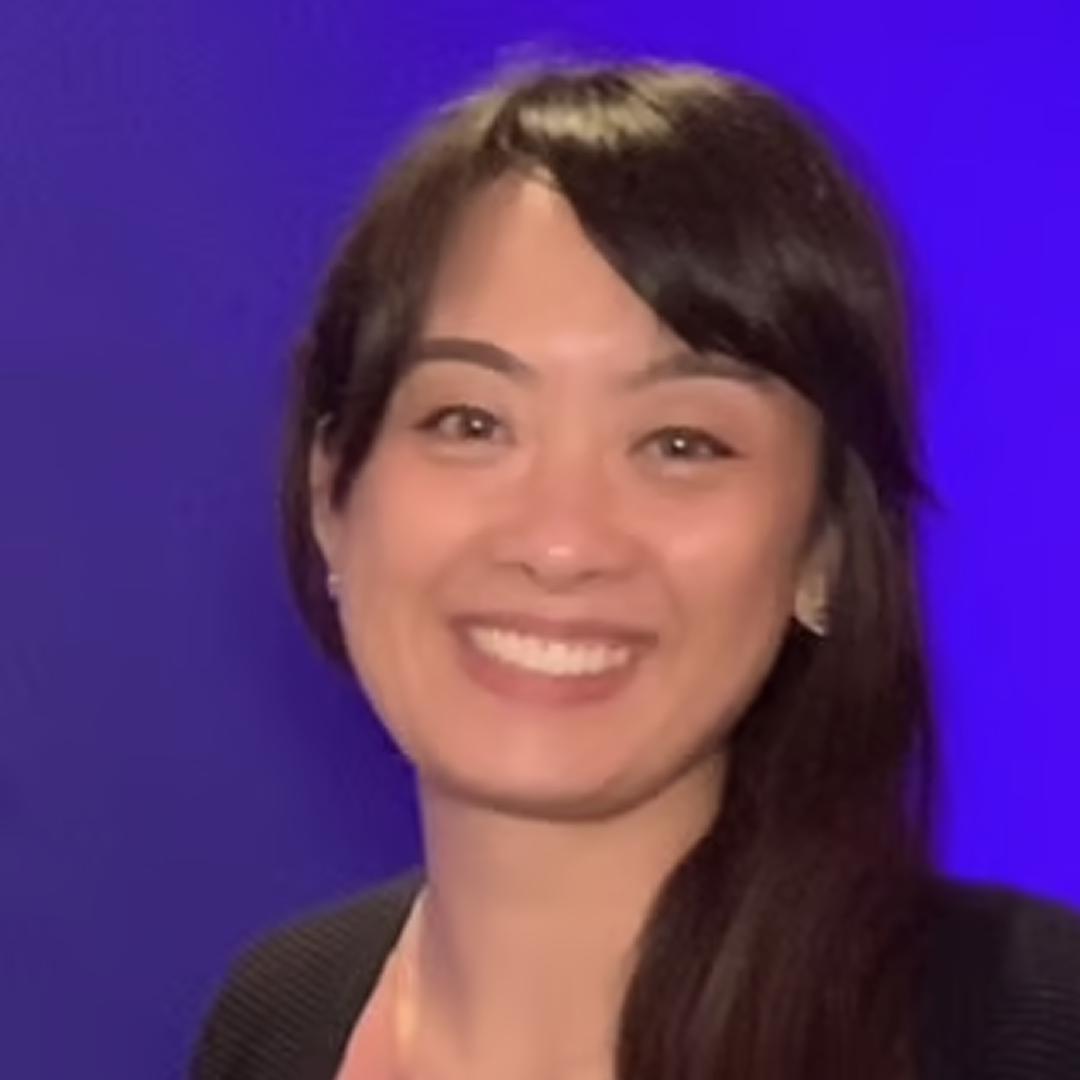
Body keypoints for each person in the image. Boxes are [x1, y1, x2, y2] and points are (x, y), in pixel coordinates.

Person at [189, 57, 1080, 1080]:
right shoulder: (276, 1020)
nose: (561, 540)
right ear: (331, 494)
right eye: (470, 422)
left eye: (682, 443)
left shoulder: (1025, 1030)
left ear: (826, 546)